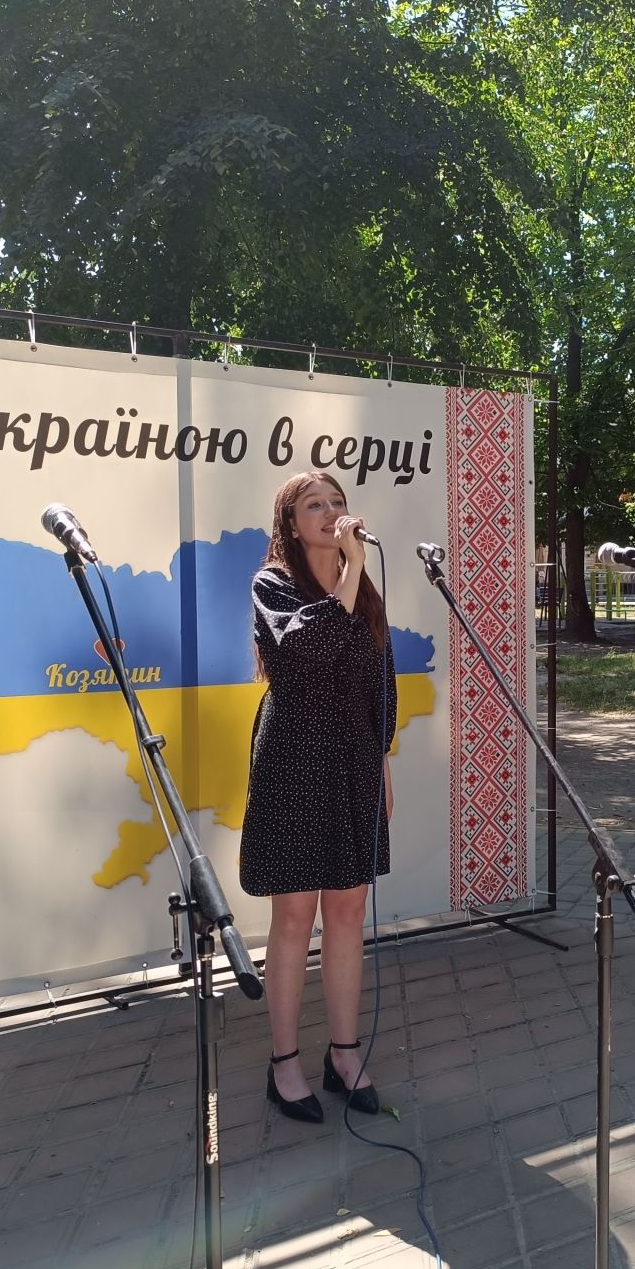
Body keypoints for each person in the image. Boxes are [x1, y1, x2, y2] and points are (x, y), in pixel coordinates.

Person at [242, 471, 398, 1123]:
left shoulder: (364, 592)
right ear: (291, 522)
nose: (332, 512)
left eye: (338, 502)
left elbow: (379, 679)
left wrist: (381, 758)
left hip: (353, 760)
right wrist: (351, 570)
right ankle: (284, 1064)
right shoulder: (273, 584)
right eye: (315, 505)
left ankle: (343, 1053)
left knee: (347, 909)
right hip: (294, 759)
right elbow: (309, 648)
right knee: (294, 914)